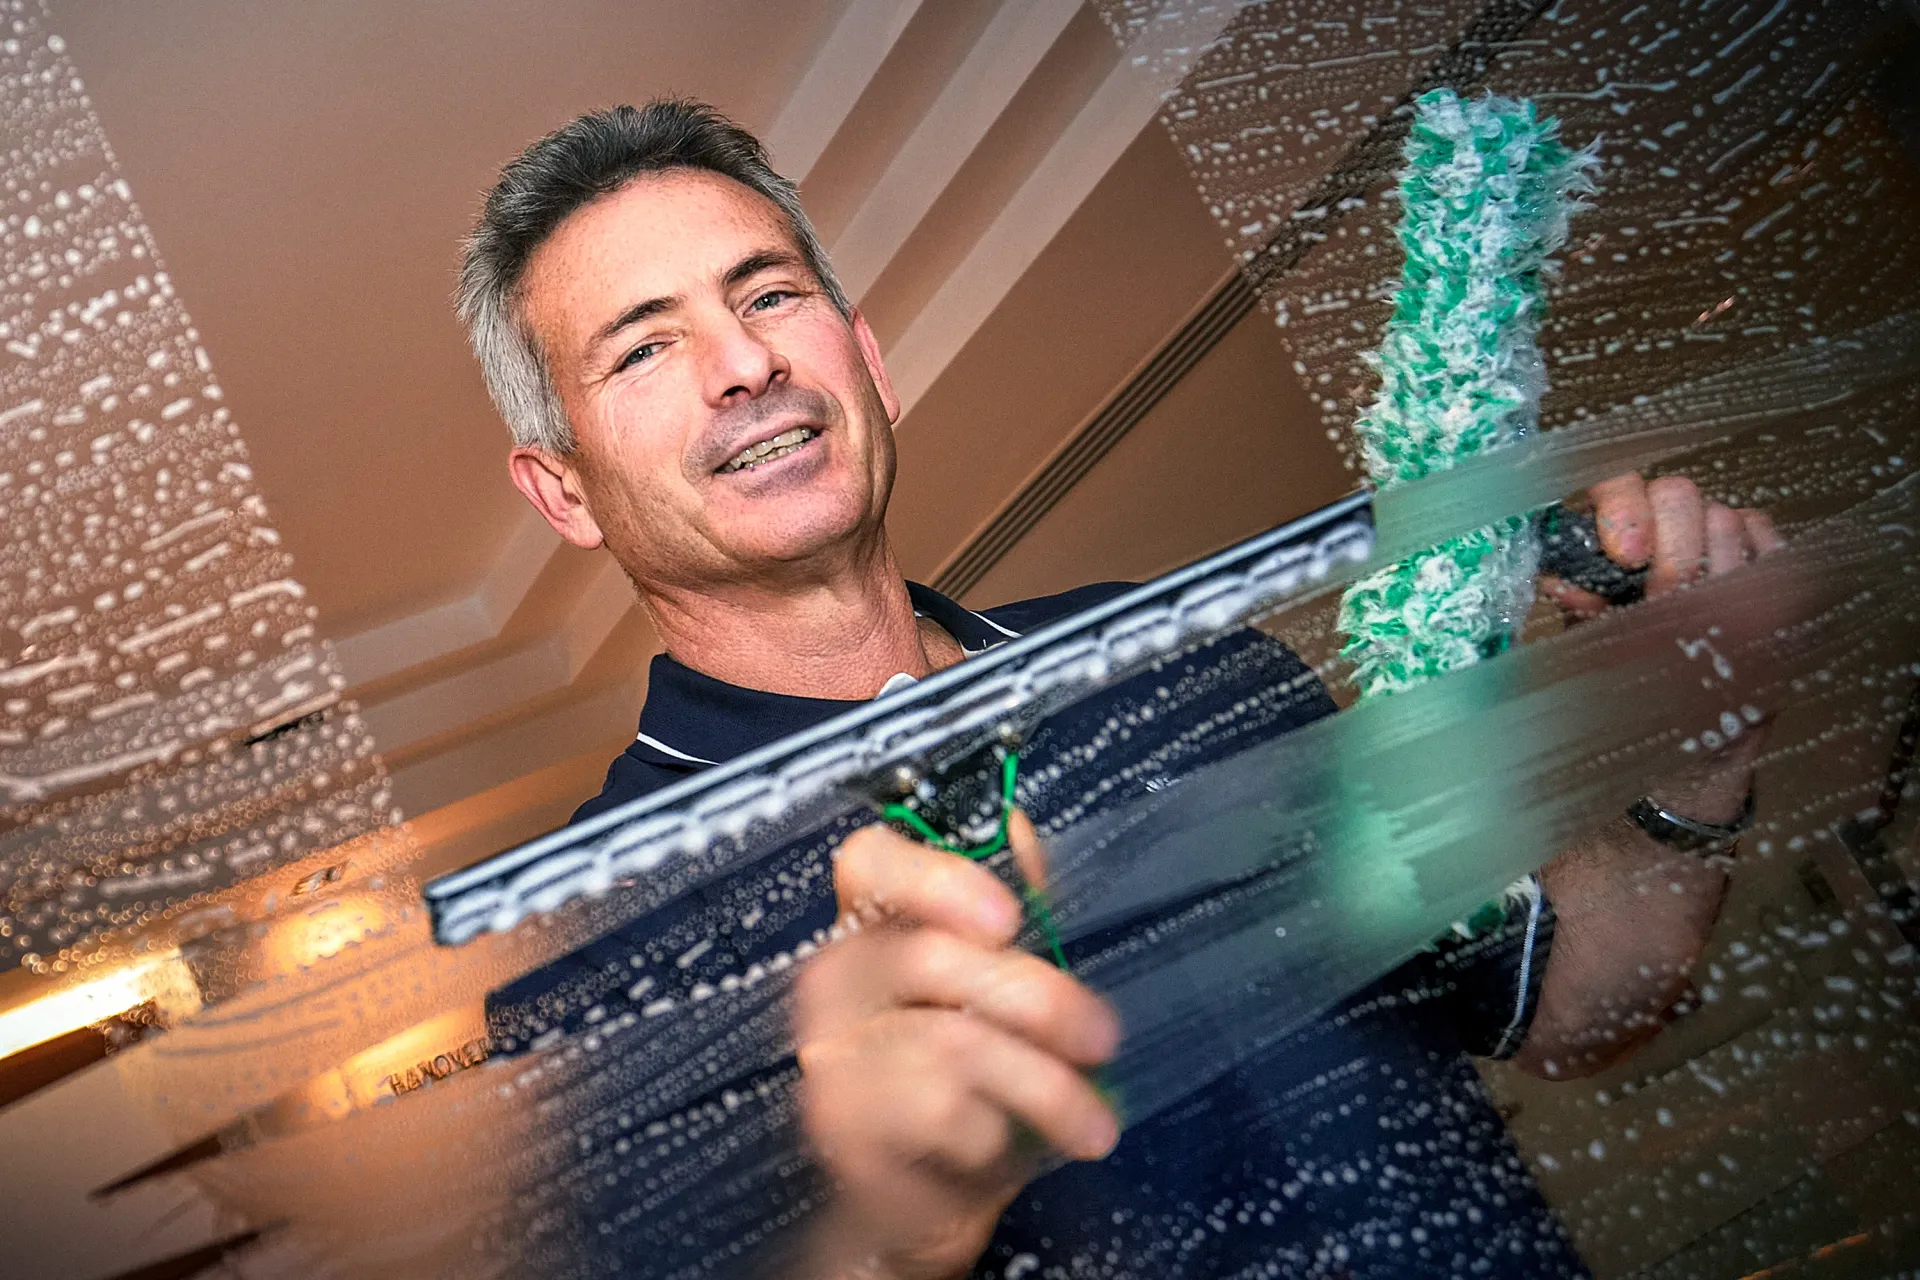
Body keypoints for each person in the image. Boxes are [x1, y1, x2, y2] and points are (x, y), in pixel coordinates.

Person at [459, 99, 1779, 1279]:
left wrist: (1698, 744)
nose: (742, 365)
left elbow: (1560, 1006)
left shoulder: (1185, 661)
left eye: (770, 295)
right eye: (642, 349)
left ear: (869, 362)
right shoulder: (587, 956)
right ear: (563, 489)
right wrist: (894, 1238)